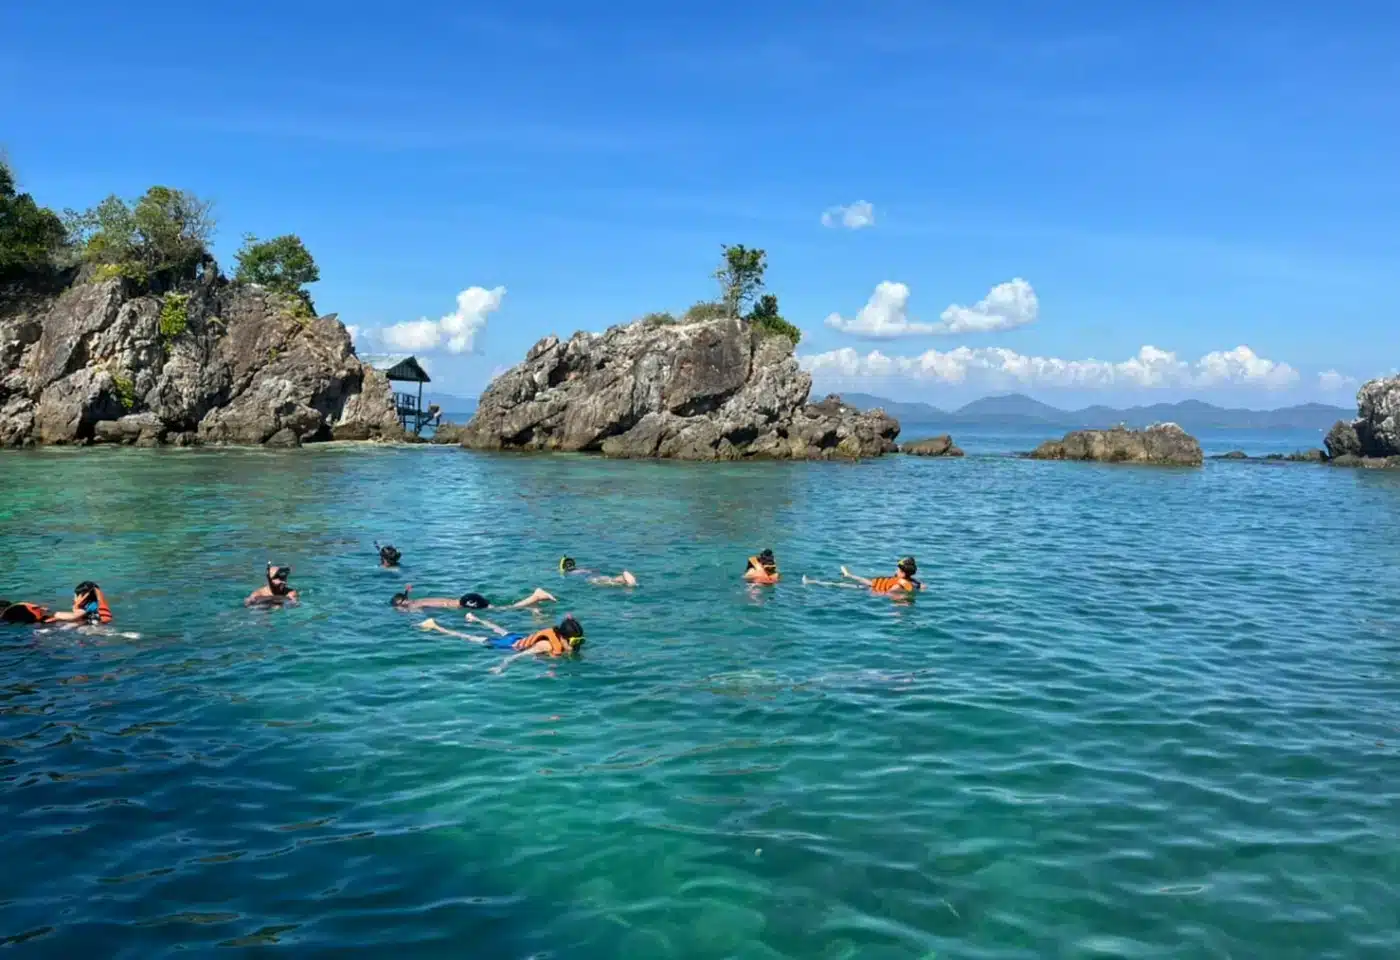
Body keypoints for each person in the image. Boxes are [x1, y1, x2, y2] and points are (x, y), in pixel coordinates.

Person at [419, 612, 586, 672]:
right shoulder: (546, 645)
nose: (576, 645)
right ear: (562, 637)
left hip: (519, 638)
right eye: (574, 641)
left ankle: (475, 618)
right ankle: (435, 626)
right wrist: (501, 666)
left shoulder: (562, 644)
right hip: (510, 646)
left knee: (500, 629)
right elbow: (517, 656)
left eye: (580, 641)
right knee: (470, 638)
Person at [804, 556, 923, 595]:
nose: (895, 570)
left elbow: (887, 593)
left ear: (902, 573)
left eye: (897, 569)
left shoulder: (899, 585)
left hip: (870, 589)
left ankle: (812, 582)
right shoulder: (912, 581)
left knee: (841, 585)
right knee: (863, 579)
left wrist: (872, 594)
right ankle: (848, 575)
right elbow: (921, 586)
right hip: (874, 584)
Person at [390, 585, 556, 611]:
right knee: (501, 609)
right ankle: (535, 603)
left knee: (504, 610)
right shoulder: (419, 600)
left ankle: (536, 596)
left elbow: (418, 614)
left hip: (466, 603)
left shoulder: (412, 606)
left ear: (402, 603)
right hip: (466, 598)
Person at [560, 556, 637, 586]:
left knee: (609, 582)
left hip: (591, 578)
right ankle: (623, 578)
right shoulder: (580, 569)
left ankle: (625, 579)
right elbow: (590, 570)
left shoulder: (568, 572)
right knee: (610, 580)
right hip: (593, 575)